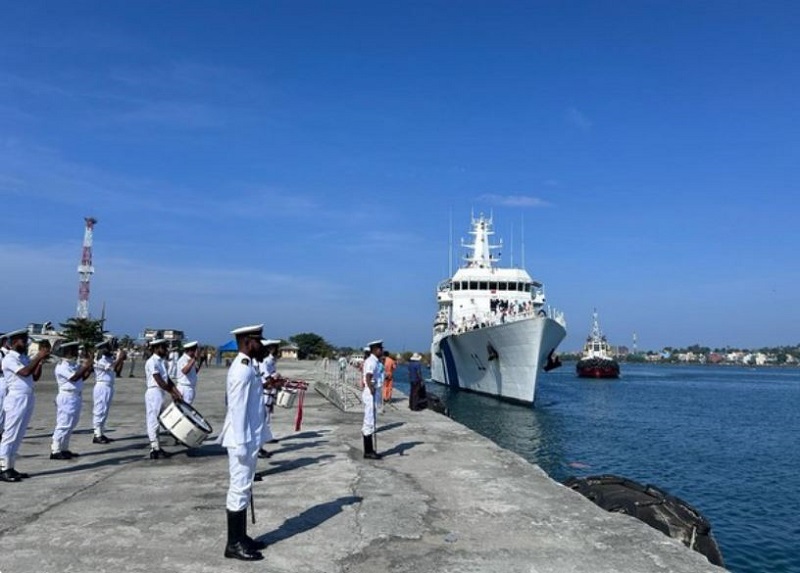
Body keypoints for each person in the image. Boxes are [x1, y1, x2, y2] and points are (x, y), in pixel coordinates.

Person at [217, 324, 267, 561]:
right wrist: (241, 443)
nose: (262, 345)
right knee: (238, 488)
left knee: (244, 487)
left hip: (248, 437)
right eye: (259, 341)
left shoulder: (249, 367)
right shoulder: (242, 370)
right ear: (248, 342)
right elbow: (236, 408)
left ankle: (242, 536)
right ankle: (233, 544)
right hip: (241, 439)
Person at [0, 329, 50, 482]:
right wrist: (37, 357)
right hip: (16, 398)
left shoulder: (24, 357)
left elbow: (34, 376)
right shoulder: (9, 359)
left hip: (28, 397)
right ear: (14, 342)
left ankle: (11, 466)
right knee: (10, 434)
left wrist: (40, 361)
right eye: (23, 340)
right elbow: (25, 372)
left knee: (19, 434)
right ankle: (3, 467)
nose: (26, 343)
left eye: (26, 340)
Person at [50, 342, 93, 460]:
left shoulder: (72, 364)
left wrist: (89, 366)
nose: (76, 352)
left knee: (72, 423)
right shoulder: (62, 366)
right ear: (67, 352)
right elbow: (74, 377)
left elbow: (81, 377)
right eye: (74, 350)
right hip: (67, 396)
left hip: (76, 396)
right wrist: (85, 366)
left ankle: (64, 448)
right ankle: (55, 449)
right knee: (63, 423)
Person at [144, 339, 183, 459]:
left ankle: (157, 446)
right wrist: (171, 391)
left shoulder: (161, 361)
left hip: (160, 392)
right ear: (156, 348)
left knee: (162, 419)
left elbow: (167, 379)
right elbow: (159, 380)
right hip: (154, 391)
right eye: (163, 347)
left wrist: (176, 391)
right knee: (153, 420)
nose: (166, 349)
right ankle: (154, 448)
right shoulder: (152, 362)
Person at [92, 340, 126, 444]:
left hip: (108, 386)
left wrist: (121, 360)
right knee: (100, 410)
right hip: (102, 386)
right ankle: (97, 434)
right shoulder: (100, 359)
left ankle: (101, 433)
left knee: (105, 410)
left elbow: (117, 370)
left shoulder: (108, 358)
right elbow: (112, 367)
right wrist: (119, 358)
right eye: (108, 348)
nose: (111, 350)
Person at [257, 339, 283, 458]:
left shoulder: (270, 361)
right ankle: (259, 447)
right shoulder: (264, 361)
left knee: (266, 417)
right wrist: (275, 383)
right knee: (261, 420)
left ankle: (263, 443)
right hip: (264, 392)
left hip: (269, 392)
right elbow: (267, 378)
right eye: (276, 348)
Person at [361, 339, 383, 460]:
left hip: (372, 392)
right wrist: (371, 388)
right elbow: (369, 376)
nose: (382, 351)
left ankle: (369, 449)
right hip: (371, 393)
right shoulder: (371, 361)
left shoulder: (374, 361)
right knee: (369, 420)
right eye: (380, 349)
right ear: (375, 350)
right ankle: (368, 451)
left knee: (371, 420)